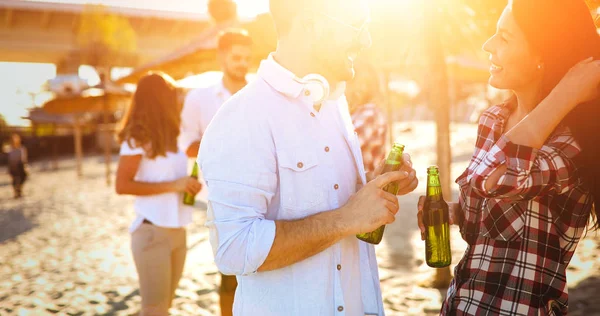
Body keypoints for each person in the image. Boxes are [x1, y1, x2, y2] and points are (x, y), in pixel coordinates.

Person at [198, 0, 418, 315]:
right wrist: (348, 219)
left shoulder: (335, 106)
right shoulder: (243, 116)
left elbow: (331, 200)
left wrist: (375, 187)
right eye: (357, 24)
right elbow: (234, 248)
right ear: (311, 22)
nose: (366, 40)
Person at [417, 1, 600, 314]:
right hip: (460, 304)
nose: (488, 45)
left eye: (504, 37)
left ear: (543, 53)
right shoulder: (493, 120)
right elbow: (493, 215)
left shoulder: (572, 142)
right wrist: (455, 212)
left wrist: (567, 92)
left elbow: (497, 181)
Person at [178, 28, 252, 316]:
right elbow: (186, 144)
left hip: (267, 190)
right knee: (230, 269)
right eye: (236, 57)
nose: (242, 63)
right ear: (221, 56)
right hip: (222, 196)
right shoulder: (199, 98)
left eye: (247, 58)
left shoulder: (261, 93)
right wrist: (225, 142)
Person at [115, 72, 202, 316]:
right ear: (159, 99)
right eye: (172, 95)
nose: (177, 100)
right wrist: (175, 185)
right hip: (151, 233)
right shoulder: (136, 139)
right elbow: (122, 185)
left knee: (164, 308)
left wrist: (188, 184)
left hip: (178, 232)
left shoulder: (176, 138)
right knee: (155, 310)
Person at [346, 58, 388, 173]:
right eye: (357, 82)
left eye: (367, 84)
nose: (361, 88)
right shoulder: (353, 112)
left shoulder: (371, 112)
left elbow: (346, 146)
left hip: (367, 187)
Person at [8, 133, 28, 198]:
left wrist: (23, 165)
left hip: (20, 166)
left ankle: (19, 190)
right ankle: (16, 192)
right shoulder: (10, 149)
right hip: (13, 166)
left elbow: (23, 158)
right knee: (14, 179)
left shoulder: (21, 148)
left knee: (23, 177)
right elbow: (10, 158)